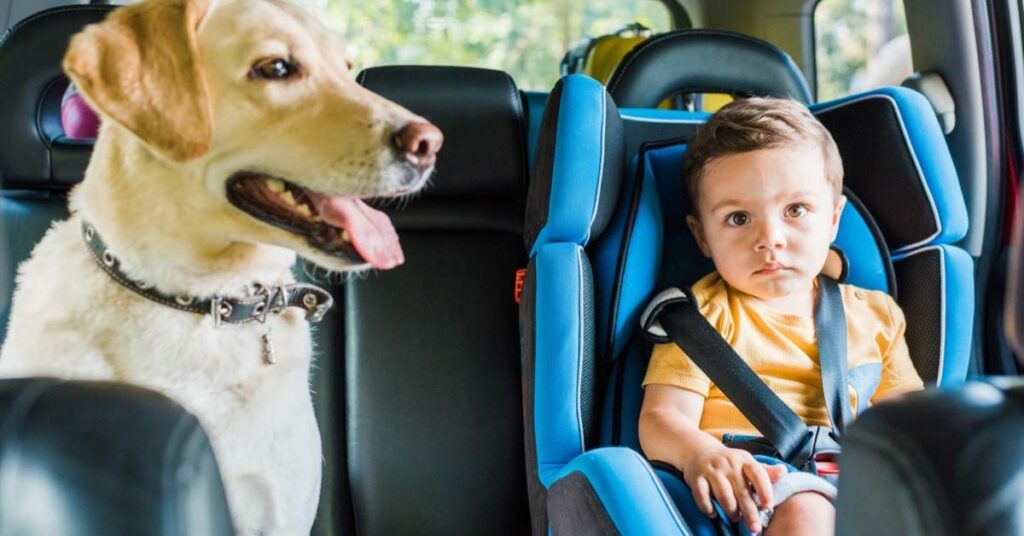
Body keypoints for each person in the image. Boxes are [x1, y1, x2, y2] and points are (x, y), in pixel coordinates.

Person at [638, 97, 925, 536]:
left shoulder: (877, 316)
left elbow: (907, 422)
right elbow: (661, 419)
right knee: (809, 509)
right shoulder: (703, 316)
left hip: (853, 485)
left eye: (795, 211)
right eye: (738, 218)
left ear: (832, 221)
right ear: (702, 237)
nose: (770, 239)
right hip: (750, 488)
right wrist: (699, 453)